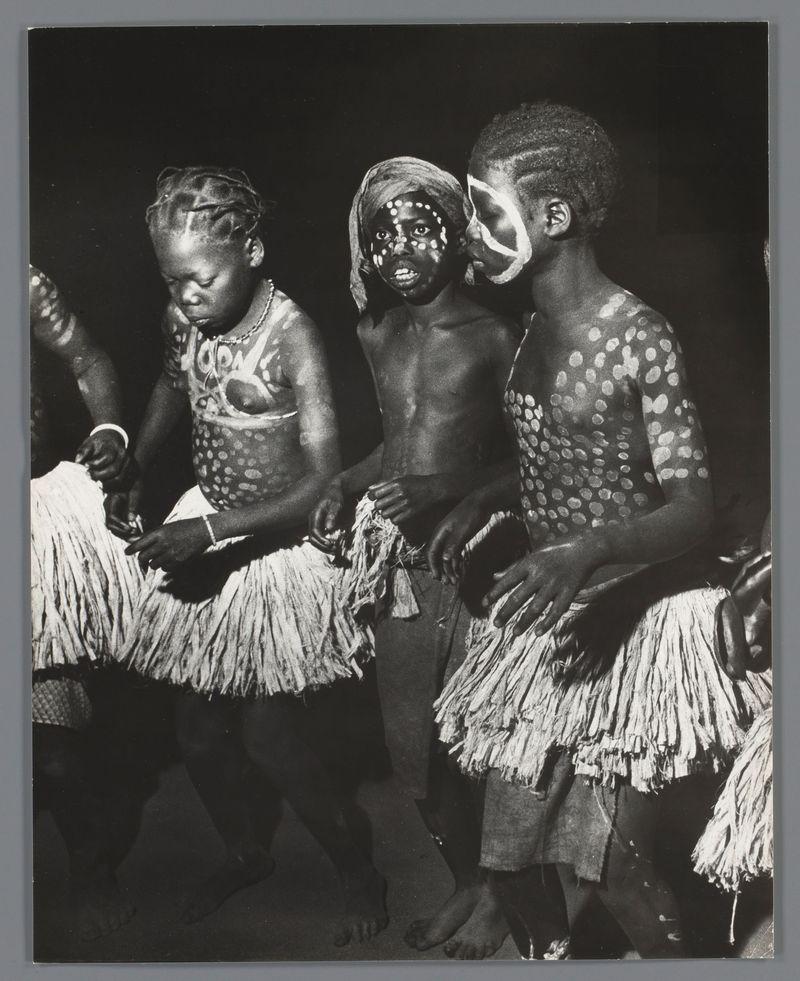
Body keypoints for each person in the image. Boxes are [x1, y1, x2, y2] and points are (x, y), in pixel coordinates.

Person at [429, 102, 771, 958]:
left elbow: (692, 506)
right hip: (552, 610)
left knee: (613, 866)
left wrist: (594, 553)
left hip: (637, 615)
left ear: (554, 217)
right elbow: (568, 450)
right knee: (508, 866)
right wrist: (488, 492)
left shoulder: (639, 336)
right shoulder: (533, 327)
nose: (466, 229)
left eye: (484, 207)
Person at [106, 167, 386, 945]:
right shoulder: (182, 317)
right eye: (173, 279)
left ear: (254, 250)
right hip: (210, 523)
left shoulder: (291, 334)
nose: (189, 295)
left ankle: (356, 865)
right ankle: (243, 850)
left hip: (277, 541)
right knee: (195, 730)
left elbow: (324, 482)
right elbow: (171, 384)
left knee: (270, 736)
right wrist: (136, 458)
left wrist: (211, 532)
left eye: (204, 277)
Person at [308, 156, 522, 959]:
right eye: (380, 233)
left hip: (471, 561)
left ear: (458, 236)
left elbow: (528, 463)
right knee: (415, 754)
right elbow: (392, 446)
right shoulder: (377, 332)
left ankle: (502, 893)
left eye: (417, 226)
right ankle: (465, 877)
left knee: (479, 737)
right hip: (397, 569)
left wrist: (441, 487)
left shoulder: (497, 336)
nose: (397, 246)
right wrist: (345, 482)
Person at [30, 264, 141, 940]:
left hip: (30, 524)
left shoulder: (20, 280)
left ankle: (91, 869)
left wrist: (111, 430)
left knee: (55, 751)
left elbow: (86, 354)